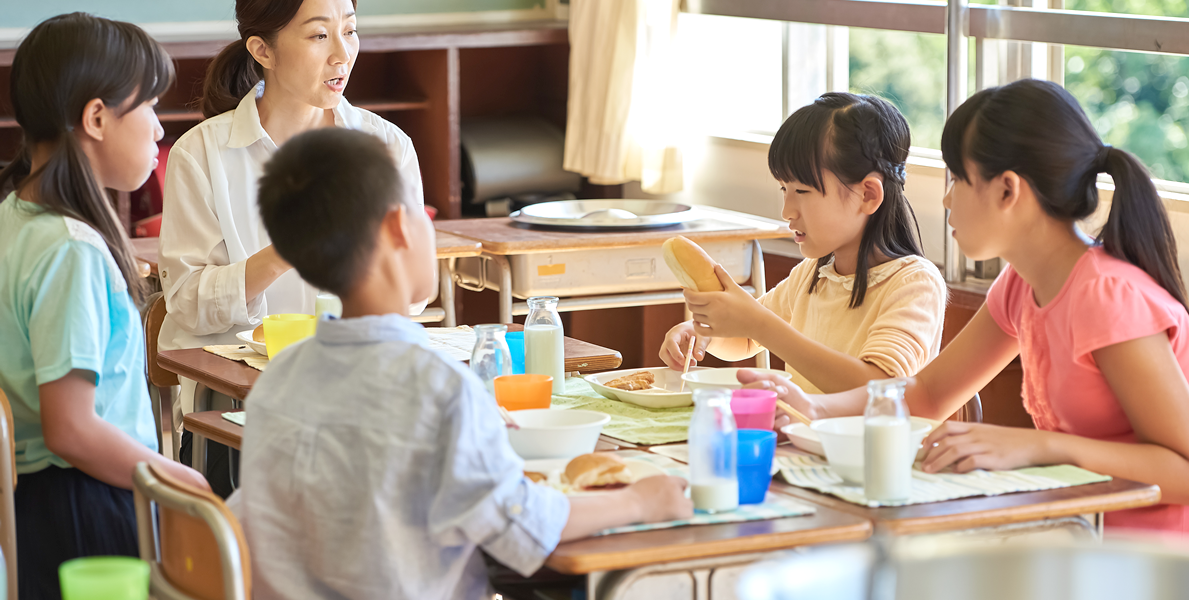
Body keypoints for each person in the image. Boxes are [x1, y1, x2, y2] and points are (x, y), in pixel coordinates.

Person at [229, 128, 693, 598]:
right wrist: (640, 500)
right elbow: (520, 525)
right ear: (398, 228)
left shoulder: (280, 376)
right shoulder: (436, 383)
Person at [753, 79, 1189, 536]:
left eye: (958, 180)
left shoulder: (1107, 296)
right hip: (1079, 536)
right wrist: (815, 407)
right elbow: (926, 394)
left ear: (1008, 191)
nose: (946, 199)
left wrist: (1037, 446)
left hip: (1160, 559)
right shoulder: (1020, 286)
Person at [157, 0, 425, 486]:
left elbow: (413, 293)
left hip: (360, 402)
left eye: (351, 31)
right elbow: (187, 304)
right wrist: (288, 248)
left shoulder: (385, 146)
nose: (343, 55)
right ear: (262, 49)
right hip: (241, 416)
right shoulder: (201, 155)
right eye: (319, 36)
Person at [0, 13, 210, 598]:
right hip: (85, 505)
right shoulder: (72, 249)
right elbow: (70, 428)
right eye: (149, 108)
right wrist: (180, 477)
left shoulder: (13, 220)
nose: (159, 132)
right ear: (96, 118)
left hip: (33, 501)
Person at [661, 93, 946, 394]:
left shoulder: (914, 284)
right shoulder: (813, 275)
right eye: (784, 188)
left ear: (868, 195)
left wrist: (760, 325)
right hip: (800, 439)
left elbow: (878, 390)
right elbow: (746, 339)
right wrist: (702, 334)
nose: (787, 212)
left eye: (803, 190)